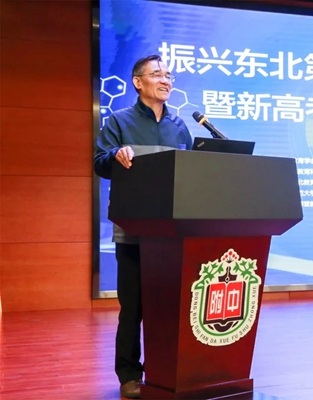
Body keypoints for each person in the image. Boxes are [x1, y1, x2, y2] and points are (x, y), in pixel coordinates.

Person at [93, 54, 193, 399]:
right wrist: (115, 155)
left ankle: (166, 370)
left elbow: (191, 171)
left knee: (168, 308)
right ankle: (130, 375)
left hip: (174, 235)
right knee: (133, 308)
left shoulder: (179, 125)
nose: (165, 80)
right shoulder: (119, 121)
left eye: (169, 75)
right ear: (138, 82)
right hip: (134, 231)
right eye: (157, 74)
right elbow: (100, 163)